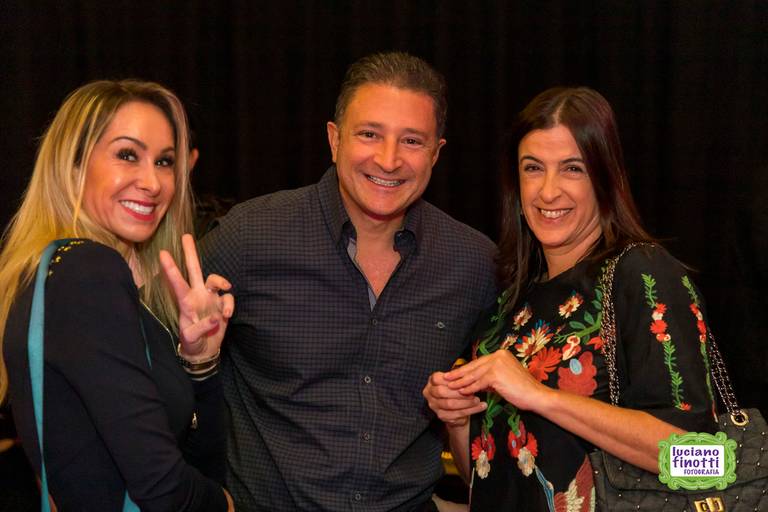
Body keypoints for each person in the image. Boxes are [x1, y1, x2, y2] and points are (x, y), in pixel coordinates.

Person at [200, 51, 498, 511]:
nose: (388, 159)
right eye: (369, 134)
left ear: (436, 153)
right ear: (334, 139)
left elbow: (502, 433)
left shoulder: (473, 264)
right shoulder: (251, 237)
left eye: (412, 141)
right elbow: (153, 370)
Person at [423, 87, 717, 511]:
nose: (548, 192)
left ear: (605, 177)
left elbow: (703, 460)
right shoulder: (506, 308)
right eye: (533, 168)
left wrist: (541, 396)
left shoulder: (642, 275)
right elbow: (490, 481)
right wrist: (457, 418)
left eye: (572, 169)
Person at [0, 80, 235, 510]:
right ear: (73, 165)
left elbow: (188, 460)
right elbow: (163, 488)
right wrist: (226, 506)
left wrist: (200, 361)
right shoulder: (88, 271)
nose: (153, 182)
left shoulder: (47, 271)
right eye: (127, 155)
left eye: (164, 161)